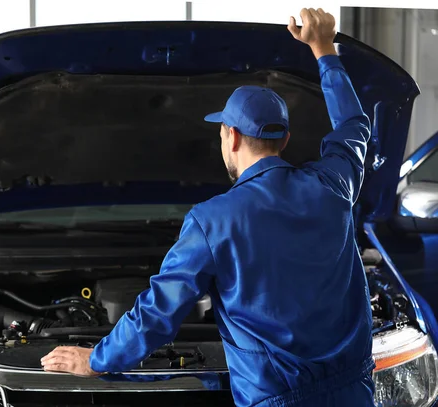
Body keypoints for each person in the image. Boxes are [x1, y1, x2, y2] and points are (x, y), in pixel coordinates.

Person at [41, 8, 374, 407]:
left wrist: (95, 359)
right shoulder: (334, 185)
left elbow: (158, 315)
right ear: (284, 140)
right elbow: (354, 127)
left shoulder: (212, 221)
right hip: (355, 392)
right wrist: (323, 48)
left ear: (230, 136)